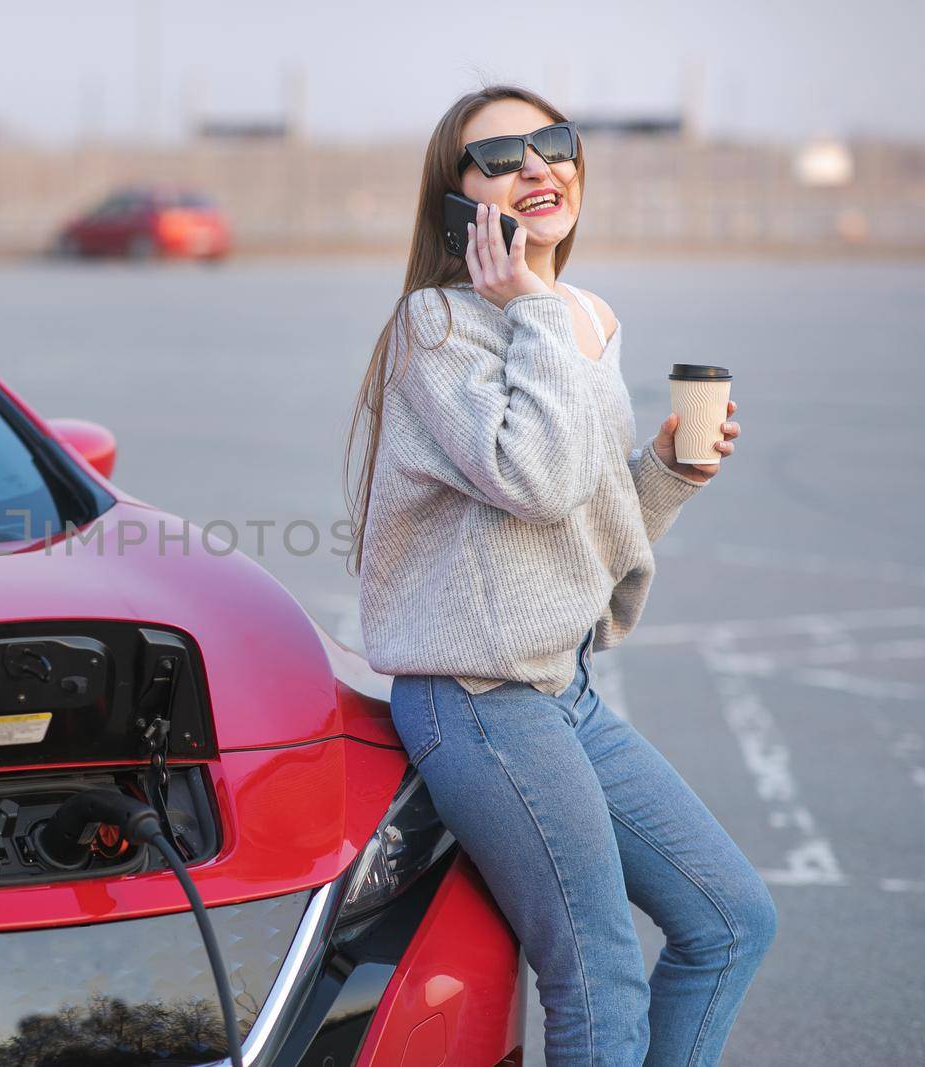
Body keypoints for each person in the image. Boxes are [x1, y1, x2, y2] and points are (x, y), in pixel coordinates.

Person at [344, 84, 775, 1066]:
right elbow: (534, 482)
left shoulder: (584, 315)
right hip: (476, 697)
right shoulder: (436, 328)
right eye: (499, 158)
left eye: (553, 143)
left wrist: (665, 474)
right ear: (457, 202)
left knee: (732, 918)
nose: (538, 166)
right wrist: (532, 310)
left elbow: (582, 516)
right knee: (596, 971)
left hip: (559, 687)